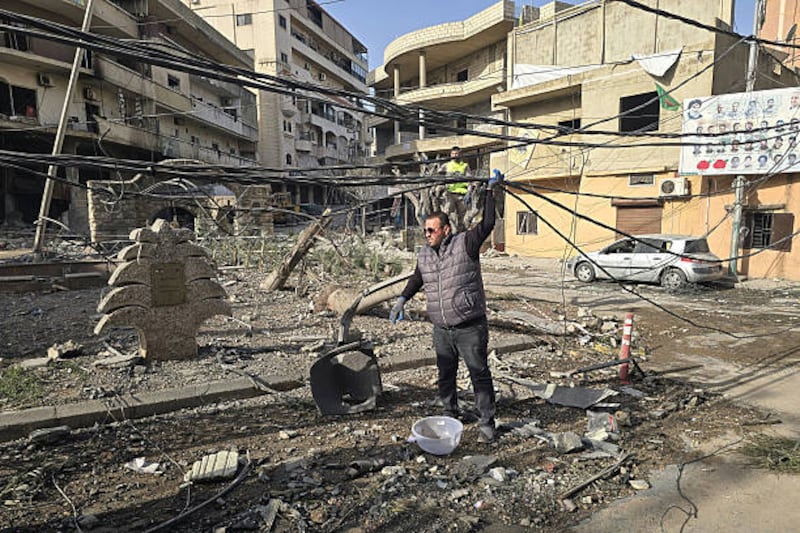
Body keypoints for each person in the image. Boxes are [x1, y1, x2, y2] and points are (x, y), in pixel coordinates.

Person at [389, 170, 504, 443]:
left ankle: (487, 422)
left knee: (479, 374)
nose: (426, 234)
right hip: (441, 328)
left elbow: (488, 223)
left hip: (469, 326)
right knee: (445, 374)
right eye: (425, 230)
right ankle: (450, 414)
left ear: (446, 230)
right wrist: (403, 298)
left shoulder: (466, 244)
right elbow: (418, 277)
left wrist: (491, 192)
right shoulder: (425, 254)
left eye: (431, 230)